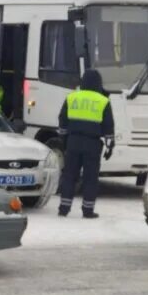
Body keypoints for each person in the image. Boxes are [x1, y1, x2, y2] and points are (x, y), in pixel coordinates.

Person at [57, 69, 115, 219]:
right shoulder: (103, 101)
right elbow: (108, 125)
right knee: (90, 178)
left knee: (69, 175)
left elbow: (62, 120)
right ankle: (88, 210)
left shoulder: (72, 97)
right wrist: (110, 146)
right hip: (92, 144)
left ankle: (64, 208)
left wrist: (63, 140)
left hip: (73, 141)